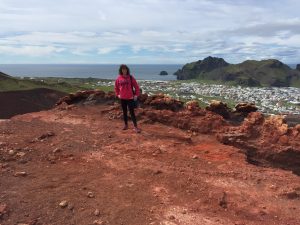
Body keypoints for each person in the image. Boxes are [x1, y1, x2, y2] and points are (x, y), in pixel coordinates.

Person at [114, 64, 141, 133]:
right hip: (122, 98)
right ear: (121, 70)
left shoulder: (131, 77)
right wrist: (118, 95)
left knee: (132, 112)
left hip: (130, 98)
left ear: (127, 70)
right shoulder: (118, 78)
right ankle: (126, 125)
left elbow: (137, 87)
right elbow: (116, 88)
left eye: (125, 69)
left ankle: (135, 127)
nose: (124, 70)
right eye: (123, 69)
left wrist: (136, 95)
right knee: (124, 112)